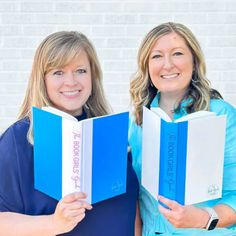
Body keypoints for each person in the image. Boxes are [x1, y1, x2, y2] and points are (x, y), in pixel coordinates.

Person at [0, 31, 140, 236]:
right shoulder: (18, 140)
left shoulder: (110, 133)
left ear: (93, 76)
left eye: (81, 70)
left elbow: (133, 214)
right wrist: (54, 224)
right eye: (58, 72)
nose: (71, 81)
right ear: (42, 79)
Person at [129, 22, 236, 235]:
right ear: (147, 66)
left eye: (177, 53)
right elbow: (138, 199)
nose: (167, 65)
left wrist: (203, 218)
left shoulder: (221, 115)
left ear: (194, 62)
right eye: (157, 56)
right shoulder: (139, 121)